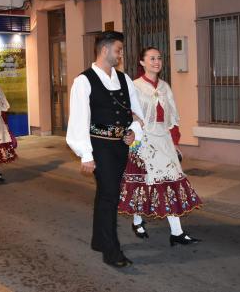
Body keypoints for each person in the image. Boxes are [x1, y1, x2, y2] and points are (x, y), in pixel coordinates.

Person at [66, 31, 144, 268]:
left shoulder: (124, 79)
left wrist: (133, 133)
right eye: (118, 50)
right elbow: (79, 120)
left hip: (120, 147)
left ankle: (99, 240)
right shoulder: (84, 81)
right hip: (99, 147)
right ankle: (112, 251)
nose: (121, 55)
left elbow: (135, 112)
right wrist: (86, 155)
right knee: (110, 197)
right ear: (105, 50)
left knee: (105, 195)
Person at [118, 47, 202, 246]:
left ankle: (177, 232)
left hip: (163, 140)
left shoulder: (165, 87)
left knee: (171, 182)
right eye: (152, 58)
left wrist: (175, 143)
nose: (157, 61)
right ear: (142, 62)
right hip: (144, 140)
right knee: (144, 184)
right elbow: (127, 112)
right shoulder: (135, 86)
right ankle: (138, 221)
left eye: (159, 58)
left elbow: (172, 117)